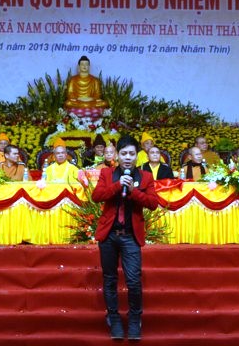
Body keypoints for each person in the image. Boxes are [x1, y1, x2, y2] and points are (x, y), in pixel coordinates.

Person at [91, 134, 159, 341]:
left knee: (133, 281)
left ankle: (135, 319)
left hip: (130, 236)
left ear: (137, 156)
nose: (128, 157)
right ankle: (113, 318)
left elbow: (153, 203)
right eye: (124, 153)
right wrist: (117, 185)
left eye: (131, 153)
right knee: (110, 279)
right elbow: (97, 196)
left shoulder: (145, 177)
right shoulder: (107, 173)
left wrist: (133, 191)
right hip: (109, 235)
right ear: (117, 156)